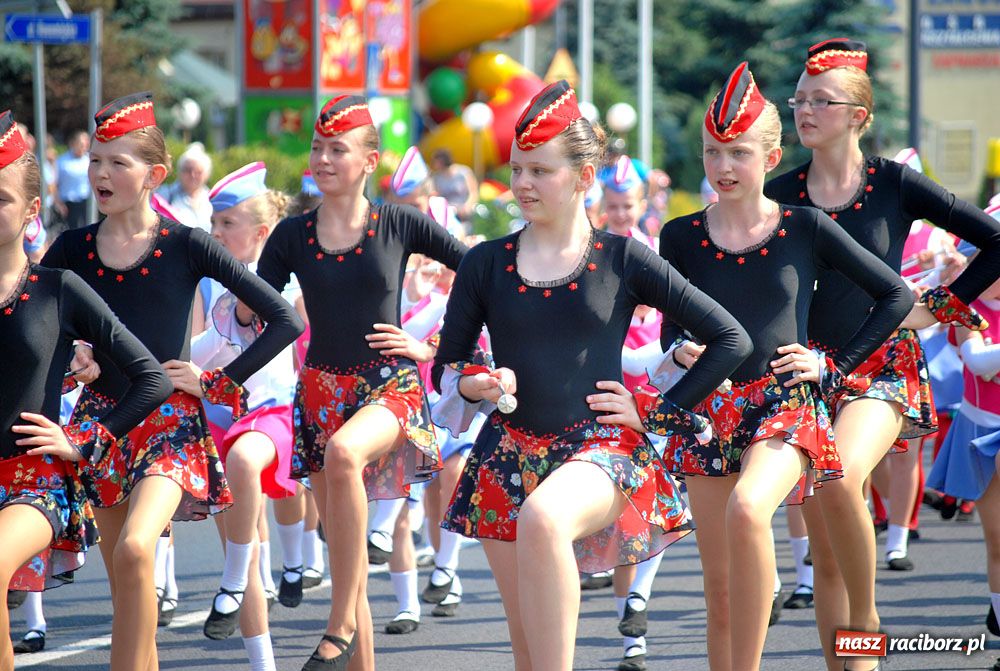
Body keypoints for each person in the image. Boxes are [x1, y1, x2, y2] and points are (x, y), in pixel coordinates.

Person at [432, 79, 751, 671]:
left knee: (545, 516)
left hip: (601, 448)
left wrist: (660, 410)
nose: (522, 184)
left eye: (540, 171)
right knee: (528, 647)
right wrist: (473, 382)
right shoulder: (484, 262)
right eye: (518, 169)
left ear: (583, 177)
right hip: (506, 456)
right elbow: (446, 366)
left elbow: (729, 338)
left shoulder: (623, 258)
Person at [657, 61, 910, 671]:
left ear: (770, 159)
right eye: (713, 153)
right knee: (720, 591)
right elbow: (672, 324)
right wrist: (678, 349)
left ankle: (868, 617)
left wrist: (835, 366)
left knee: (753, 507)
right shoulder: (681, 236)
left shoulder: (803, 226)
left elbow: (895, 296)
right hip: (710, 412)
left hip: (785, 407)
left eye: (739, 153)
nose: (723, 168)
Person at [42, 92, 303, 671]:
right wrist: (75, 360)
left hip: (168, 423)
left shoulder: (186, 244)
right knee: (127, 591)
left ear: (154, 175)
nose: (102, 173)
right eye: (96, 160)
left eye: (119, 162)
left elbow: (285, 320)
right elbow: (43, 334)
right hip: (100, 425)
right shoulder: (72, 249)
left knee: (139, 547)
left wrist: (217, 382)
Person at [764, 38, 1000, 671]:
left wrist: (941, 306)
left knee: (838, 470)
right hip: (807, 372)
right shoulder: (780, 193)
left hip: (881, 368)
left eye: (822, 101)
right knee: (825, 546)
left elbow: (995, 240)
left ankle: (867, 621)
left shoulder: (894, 183)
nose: (804, 111)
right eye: (799, 100)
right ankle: (851, 663)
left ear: (858, 116)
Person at [255, 94, 467, 670]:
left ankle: (338, 619)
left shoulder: (397, 222)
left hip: (390, 388)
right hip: (320, 394)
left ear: (369, 160)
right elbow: (256, 311)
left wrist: (433, 349)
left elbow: (479, 275)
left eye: (338, 149)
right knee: (345, 551)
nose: (323, 159)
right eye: (318, 148)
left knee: (347, 455)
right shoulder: (291, 236)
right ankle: (354, 638)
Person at [0, 110, 172, 671]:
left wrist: (85, 441)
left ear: (30, 210)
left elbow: (151, 378)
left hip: (35, 485)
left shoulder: (55, 289)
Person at [160, 142, 213, 233]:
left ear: (207, 174)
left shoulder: (212, 199)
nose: (193, 175)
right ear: (179, 172)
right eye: (188, 170)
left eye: (198, 172)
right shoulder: (164, 196)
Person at [54, 130, 90, 231]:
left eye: (86, 144)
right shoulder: (62, 161)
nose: (84, 147)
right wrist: (59, 203)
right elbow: (55, 183)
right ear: (73, 143)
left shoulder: (89, 160)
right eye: (81, 144)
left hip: (85, 201)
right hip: (68, 203)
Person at [431, 148, 478, 221]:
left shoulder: (464, 172)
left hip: (464, 212)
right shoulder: (437, 177)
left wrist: (467, 207)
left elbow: (473, 192)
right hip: (448, 213)